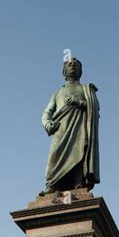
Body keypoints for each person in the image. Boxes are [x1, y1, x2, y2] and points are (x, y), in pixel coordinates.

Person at [41, 57, 100, 194]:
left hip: (80, 129)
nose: (73, 65)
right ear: (64, 72)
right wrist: (47, 123)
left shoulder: (86, 90)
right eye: (69, 64)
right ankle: (52, 184)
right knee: (54, 156)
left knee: (80, 152)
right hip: (61, 129)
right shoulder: (57, 93)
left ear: (80, 71)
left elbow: (95, 109)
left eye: (76, 65)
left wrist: (78, 103)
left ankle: (78, 184)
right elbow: (47, 112)